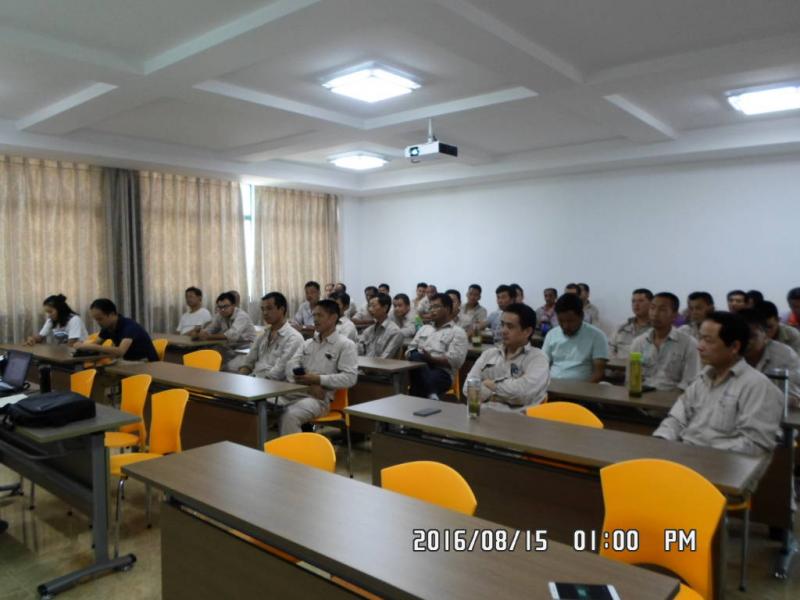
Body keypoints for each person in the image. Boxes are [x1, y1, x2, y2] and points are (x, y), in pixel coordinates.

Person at [653, 312, 784, 457]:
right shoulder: (702, 379)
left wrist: (702, 454)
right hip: (686, 456)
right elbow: (676, 419)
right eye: (700, 338)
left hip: (722, 464)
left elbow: (754, 444)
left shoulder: (758, 387)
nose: (700, 346)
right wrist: (661, 441)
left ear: (734, 346)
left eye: (708, 340)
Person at [282, 299, 358, 436]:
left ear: (333, 318)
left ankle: (295, 450)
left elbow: (350, 378)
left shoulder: (345, 345)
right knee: (262, 406)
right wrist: (311, 383)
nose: (315, 319)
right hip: (297, 391)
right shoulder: (308, 343)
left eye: (320, 315)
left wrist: (319, 380)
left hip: (319, 399)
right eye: (314, 315)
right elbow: (290, 365)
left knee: (290, 415)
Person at [465, 303, 550, 411]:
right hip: (483, 415)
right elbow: (467, 389)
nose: (503, 331)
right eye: (502, 325)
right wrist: (504, 393)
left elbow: (522, 394)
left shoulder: (538, 358)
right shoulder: (489, 354)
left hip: (518, 419)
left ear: (527, 331)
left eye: (510, 327)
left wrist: (491, 385)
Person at [629, 293, 700, 391]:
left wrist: (668, 398)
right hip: (642, 395)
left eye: (662, 310)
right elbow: (632, 379)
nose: (655, 313)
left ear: (674, 315)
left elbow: (689, 382)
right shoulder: (639, 342)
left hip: (674, 397)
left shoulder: (689, 344)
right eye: (652, 308)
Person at [405, 293, 468, 399]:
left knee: (418, 381)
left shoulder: (458, 332)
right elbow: (409, 350)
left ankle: (421, 398)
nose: (432, 311)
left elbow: (456, 361)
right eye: (431, 307)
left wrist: (432, 359)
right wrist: (421, 358)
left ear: (447, 309)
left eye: (436, 307)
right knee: (415, 356)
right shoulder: (424, 328)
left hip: (442, 373)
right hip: (418, 366)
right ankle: (431, 394)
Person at [542, 294, 608, 382]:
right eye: (561, 321)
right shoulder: (552, 334)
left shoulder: (597, 336)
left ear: (582, 316)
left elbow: (599, 373)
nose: (565, 326)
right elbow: (542, 364)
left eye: (570, 321)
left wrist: (581, 389)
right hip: (553, 385)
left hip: (582, 387)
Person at [740, 308, 800, 406]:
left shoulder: (785, 355)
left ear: (766, 336)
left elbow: (793, 397)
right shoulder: (727, 353)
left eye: (751, 336)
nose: (745, 342)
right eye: (740, 336)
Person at [238, 292, 303, 379]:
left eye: (269, 308)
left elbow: (278, 373)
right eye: (263, 309)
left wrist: (254, 381)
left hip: (275, 384)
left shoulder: (293, 338)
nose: (265, 313)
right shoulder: (263, 335)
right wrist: (240, 378)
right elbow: (248, 362)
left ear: (282, 309)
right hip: (255, 380)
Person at [75, 299, 157, 361]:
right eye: (96, 319)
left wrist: (93, 347)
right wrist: (82, 347)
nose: (98, 322)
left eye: (100, 319)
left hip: (145, 362)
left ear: (112, 314)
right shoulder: (107, 327)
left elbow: (120, 351)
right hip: (128, 361)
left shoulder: (129, 327)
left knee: (105, 369)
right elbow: (96, 344)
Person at [192, 291, 257, 369]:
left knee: (226, 368)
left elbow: (231, 335)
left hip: (246, 350)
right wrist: (200, 333)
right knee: (206, 356)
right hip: (230, 348)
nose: (222, 310)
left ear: (233, 305)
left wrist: (208, 336)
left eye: (225, 306)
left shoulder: (242, 316)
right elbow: (210, 329)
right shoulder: (220, 315)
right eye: (219, 307)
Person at [608, 288, 652, 359]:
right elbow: (609, 352)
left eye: (641, 301)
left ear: (651, 304)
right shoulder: (621, 329)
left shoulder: (657, 330)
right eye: (633, 301)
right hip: (619, 365)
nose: (636, 304)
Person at [358, 293, 404, 358]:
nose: (370, 309)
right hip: (363, 363)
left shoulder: (395, 332)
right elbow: (358, 351)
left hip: (380, 364)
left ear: (385, 308)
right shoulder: (368, 330)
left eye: (373, 306)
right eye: (369, 306)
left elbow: (385, 358)